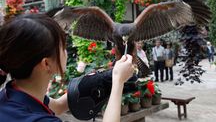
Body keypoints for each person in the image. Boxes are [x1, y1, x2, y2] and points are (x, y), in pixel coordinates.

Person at [0, 14, 134, 122]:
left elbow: (57, 107)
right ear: (46, 64)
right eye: (62, 47)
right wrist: (118, 83)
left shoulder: (10, 94)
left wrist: (103, 78)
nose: (66, 52)